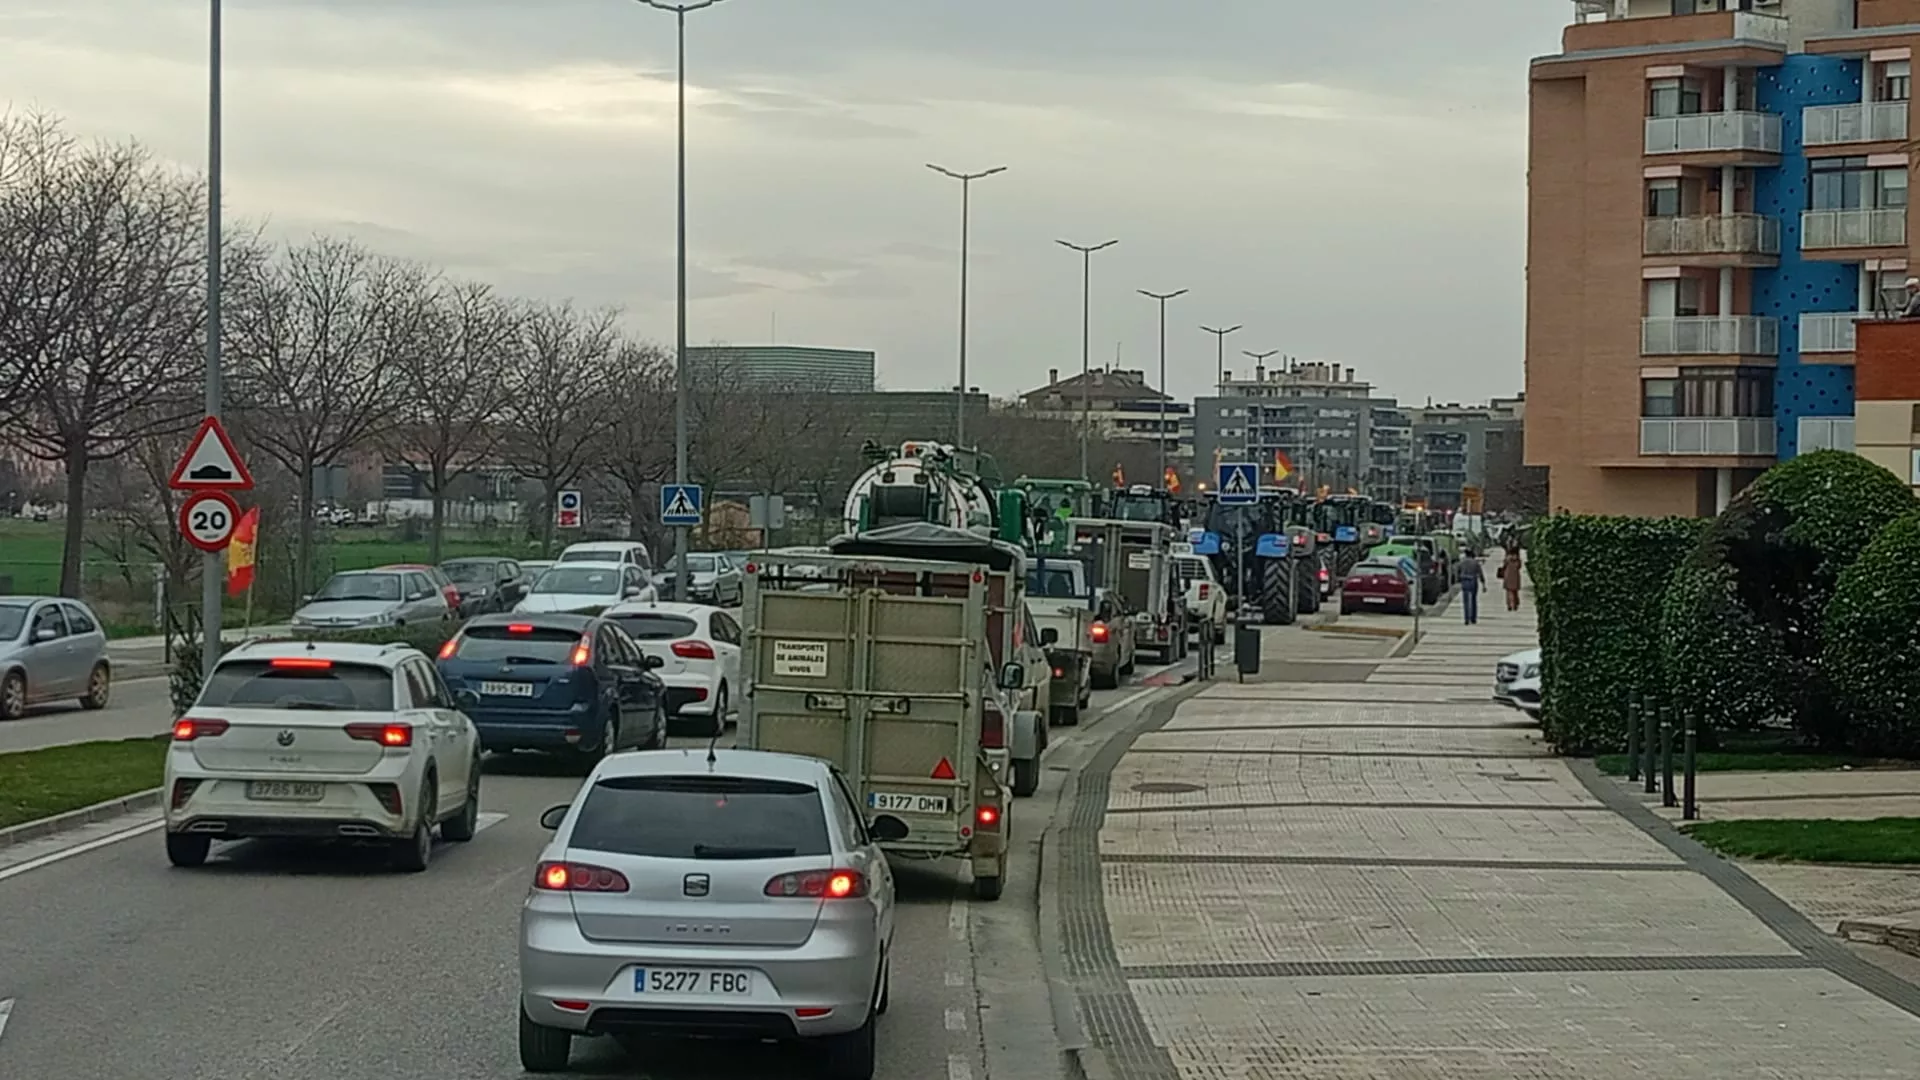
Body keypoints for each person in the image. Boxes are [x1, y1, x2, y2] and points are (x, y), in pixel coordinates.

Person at [1457, 547, 1485, 625]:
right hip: (1473, 581)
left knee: (1466, 601)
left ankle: (1466, 618)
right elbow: (1480, 573)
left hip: (1464, 580)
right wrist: (1483, 583)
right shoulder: (1475, 563)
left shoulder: (1462, 562)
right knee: (1473, 600)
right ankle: (1473, 618)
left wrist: (1459, 579)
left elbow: (1458, 571)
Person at [1500, 545, 1523, 612]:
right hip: (1515, 575)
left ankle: (1510, 604)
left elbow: (1504, 565)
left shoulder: (1507, 559)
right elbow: (1519, 567)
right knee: (1515, 591)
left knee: (1509, 591)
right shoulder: (1518, 560)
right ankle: (1515, 604)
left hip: (1508, 575)